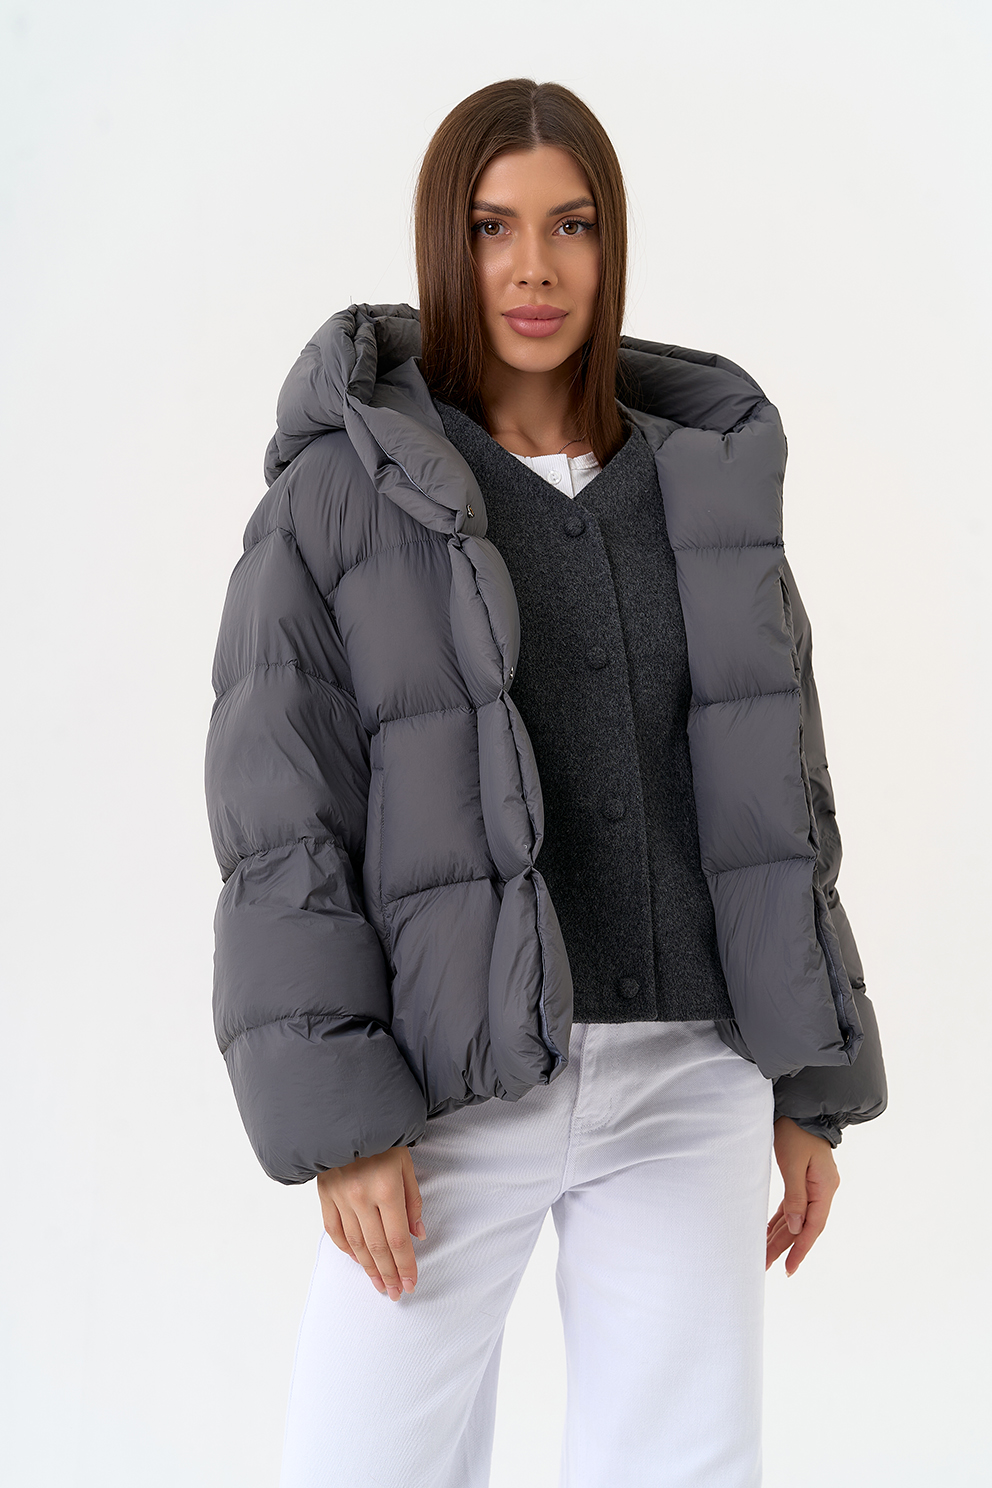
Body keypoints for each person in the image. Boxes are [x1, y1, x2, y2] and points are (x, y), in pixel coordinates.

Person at [204, 78, 887, 1488]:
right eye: (492, 227)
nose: (533, 267)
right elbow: (282, 816)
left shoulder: (702, 484)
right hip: (452, 1081)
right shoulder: (348, 491)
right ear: (442, 244)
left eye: (571, 225)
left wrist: (810, 1082)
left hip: (691, 1074)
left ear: (610, 242)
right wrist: (344, 1120)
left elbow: (783, 790)